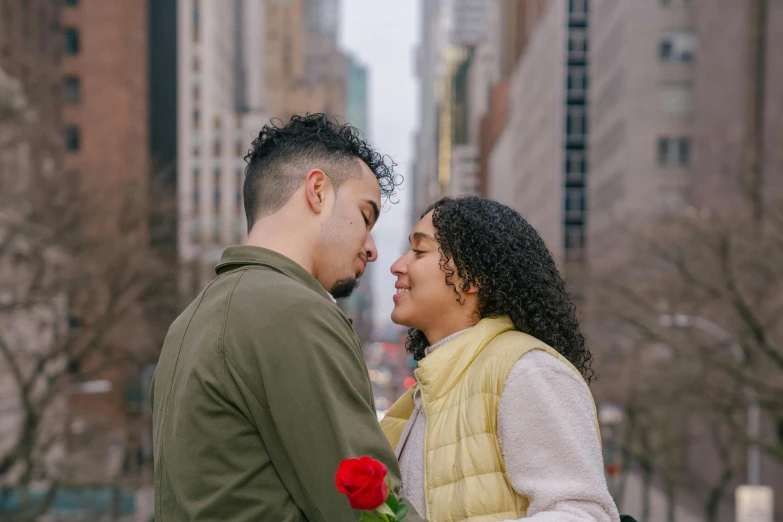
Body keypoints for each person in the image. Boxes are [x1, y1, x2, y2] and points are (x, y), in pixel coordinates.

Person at [151, 114, 423, 521]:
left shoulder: (188, 322)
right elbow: (370, 512)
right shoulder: (294, 313)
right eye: (366, 217)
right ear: (317, 190)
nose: (372, 248)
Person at [381, 196, 620, 522]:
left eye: (420, 251)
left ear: (473, 276)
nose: (397, 265)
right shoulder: (424, 394)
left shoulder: (527, 370)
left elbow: (582, 513)